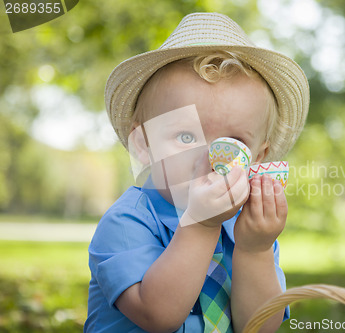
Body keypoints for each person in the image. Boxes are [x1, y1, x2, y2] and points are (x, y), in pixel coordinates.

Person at [84, 12, 309, 333]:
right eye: (186, 137)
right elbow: (158, 316)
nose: (211, 158)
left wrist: (254, 250)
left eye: (232, 143)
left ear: (259, 157)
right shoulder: (126, 221)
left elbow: (258, 328)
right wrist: (202, 225)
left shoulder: (249, 230)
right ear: (143, 145)